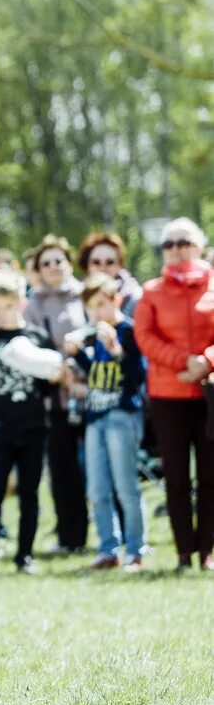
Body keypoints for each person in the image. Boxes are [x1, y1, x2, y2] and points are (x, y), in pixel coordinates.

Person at [134, 218, 214, 572]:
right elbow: (145, 337)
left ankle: (207, 550)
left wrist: (206, 361)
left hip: (209, 391)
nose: (177, 249)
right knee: (177, 476)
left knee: (210, 475)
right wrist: (183, 361)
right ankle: (183, 551)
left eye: (184, 242)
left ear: (199, 246)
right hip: (168, 393)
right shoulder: (151, 291)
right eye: (169, 244)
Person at [0, 270, 64, 574]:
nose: (3, 312)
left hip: (34, 425)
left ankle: (24, 555)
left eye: (9, 306)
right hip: (0, 426)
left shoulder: (36, 337)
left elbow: (48, 386)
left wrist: (55, 378)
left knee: (30, 492)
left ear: (22, 303)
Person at [66, 274, 146, 571]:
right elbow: (98, 375)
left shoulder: (128, 331)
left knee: (126, 486)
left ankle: (135, 550)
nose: (97, 312)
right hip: (95, 416)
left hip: (122, 416)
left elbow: (138, 376)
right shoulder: (95, 335)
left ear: (116, 300)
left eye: (101, 304)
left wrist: (117, 351)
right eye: (91, 307)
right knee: (97, 488)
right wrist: (78, 356)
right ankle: (108, 549)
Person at [24, 236, 89, 555]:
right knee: (63, 471)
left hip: (90, 395)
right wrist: (60, 373)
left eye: (58, 261)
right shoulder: (33, 304)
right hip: (53, 399)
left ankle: (113, 536)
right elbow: (30, 346)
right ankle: (69, 536)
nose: (53, 267)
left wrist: (80, 376)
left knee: (99, 469)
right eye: (46, 263)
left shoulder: (84, 295)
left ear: (69, 263)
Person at [77, 232, 142, 319]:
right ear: (87, 265)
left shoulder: (136, 297)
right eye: (96, 262)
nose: (103, 268)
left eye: (110, 262)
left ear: (120, 265)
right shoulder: (76, 297)